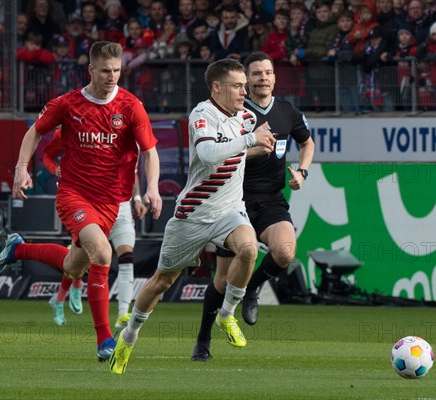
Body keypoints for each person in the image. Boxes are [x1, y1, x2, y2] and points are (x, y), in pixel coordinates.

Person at [0, 41, 162, 362]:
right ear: (91, 70)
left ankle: (18, 248)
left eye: (117, 70)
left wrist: (151, 187)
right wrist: (20, 169)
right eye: (106, 70)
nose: (112, 77)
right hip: (74, 193)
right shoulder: (68, 104)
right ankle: (104, 338)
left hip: (111, 201)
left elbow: (149, 151)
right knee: (103, 251)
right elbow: (34, 134)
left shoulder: (131, 106)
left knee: (73, 264)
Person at [109, 58, 276, 375]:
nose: (245, 90)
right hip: (193, 214)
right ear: (217, 87)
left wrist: (259, 146)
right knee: (161, 282)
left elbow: (238, 151)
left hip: (229, 210)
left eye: (245, 84)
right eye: (238, 85)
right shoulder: (202, 115)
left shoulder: (247, 117)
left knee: (249, 249)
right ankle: (128, 337)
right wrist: (251, 140)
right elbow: (210, 153)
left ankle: (227, 314)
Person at [191, 52, 314, 362]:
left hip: (272, 200)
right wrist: (252, 149)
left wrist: (302, 172)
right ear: (245, 80)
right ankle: (203, 339)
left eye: (268, 72)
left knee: (285, 252)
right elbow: (216, 156)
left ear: (274, 77)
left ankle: (252, 288)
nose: (263, 78)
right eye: (256, 73)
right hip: (233, 201)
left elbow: (307, 142)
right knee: (221, 280)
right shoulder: (235, 112)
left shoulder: (287, 112)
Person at [42, 128, 148, 327]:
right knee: (79, 259)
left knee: (126, 257)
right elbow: (47, 154)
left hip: (121, 206)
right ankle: (62, 295)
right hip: (89, 202)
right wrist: (55, 169)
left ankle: (123, 313)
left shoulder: (131, 140)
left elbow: (132, 173)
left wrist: (137, 198)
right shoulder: (74, 128)